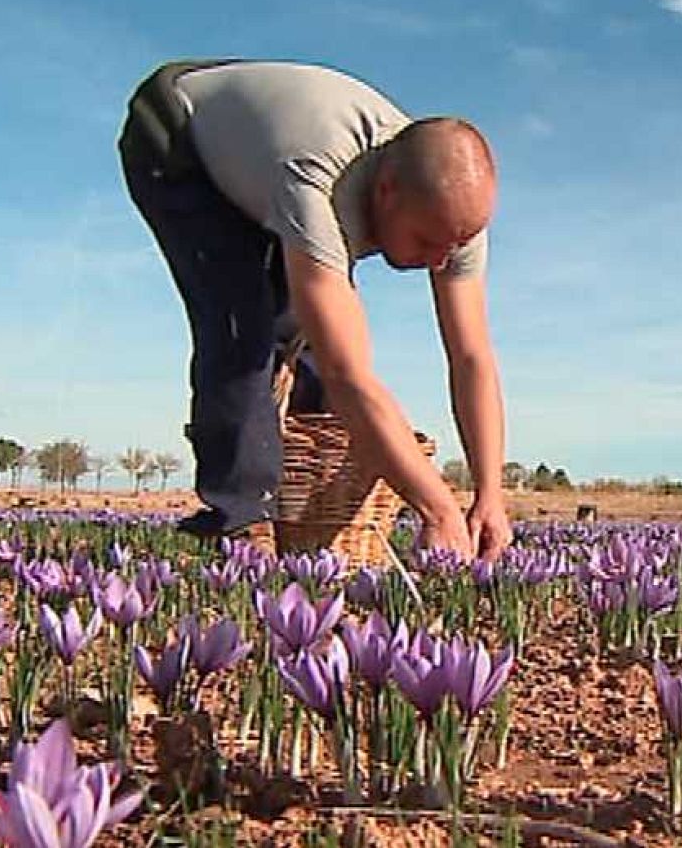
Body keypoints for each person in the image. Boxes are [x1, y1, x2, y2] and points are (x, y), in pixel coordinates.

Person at [118, 60, 512, 561]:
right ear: (386, 193)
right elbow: (348, 372)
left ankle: (303, 515)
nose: (440, 260)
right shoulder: (318, 184)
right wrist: (437, 509)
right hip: (177, 135)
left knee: (302, 329)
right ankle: (239, 524)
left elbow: (472, 357)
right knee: (245, 326)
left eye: (452, 246)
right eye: (427, 241)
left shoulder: (454, 218)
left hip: (264, 156)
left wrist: (490, 497)